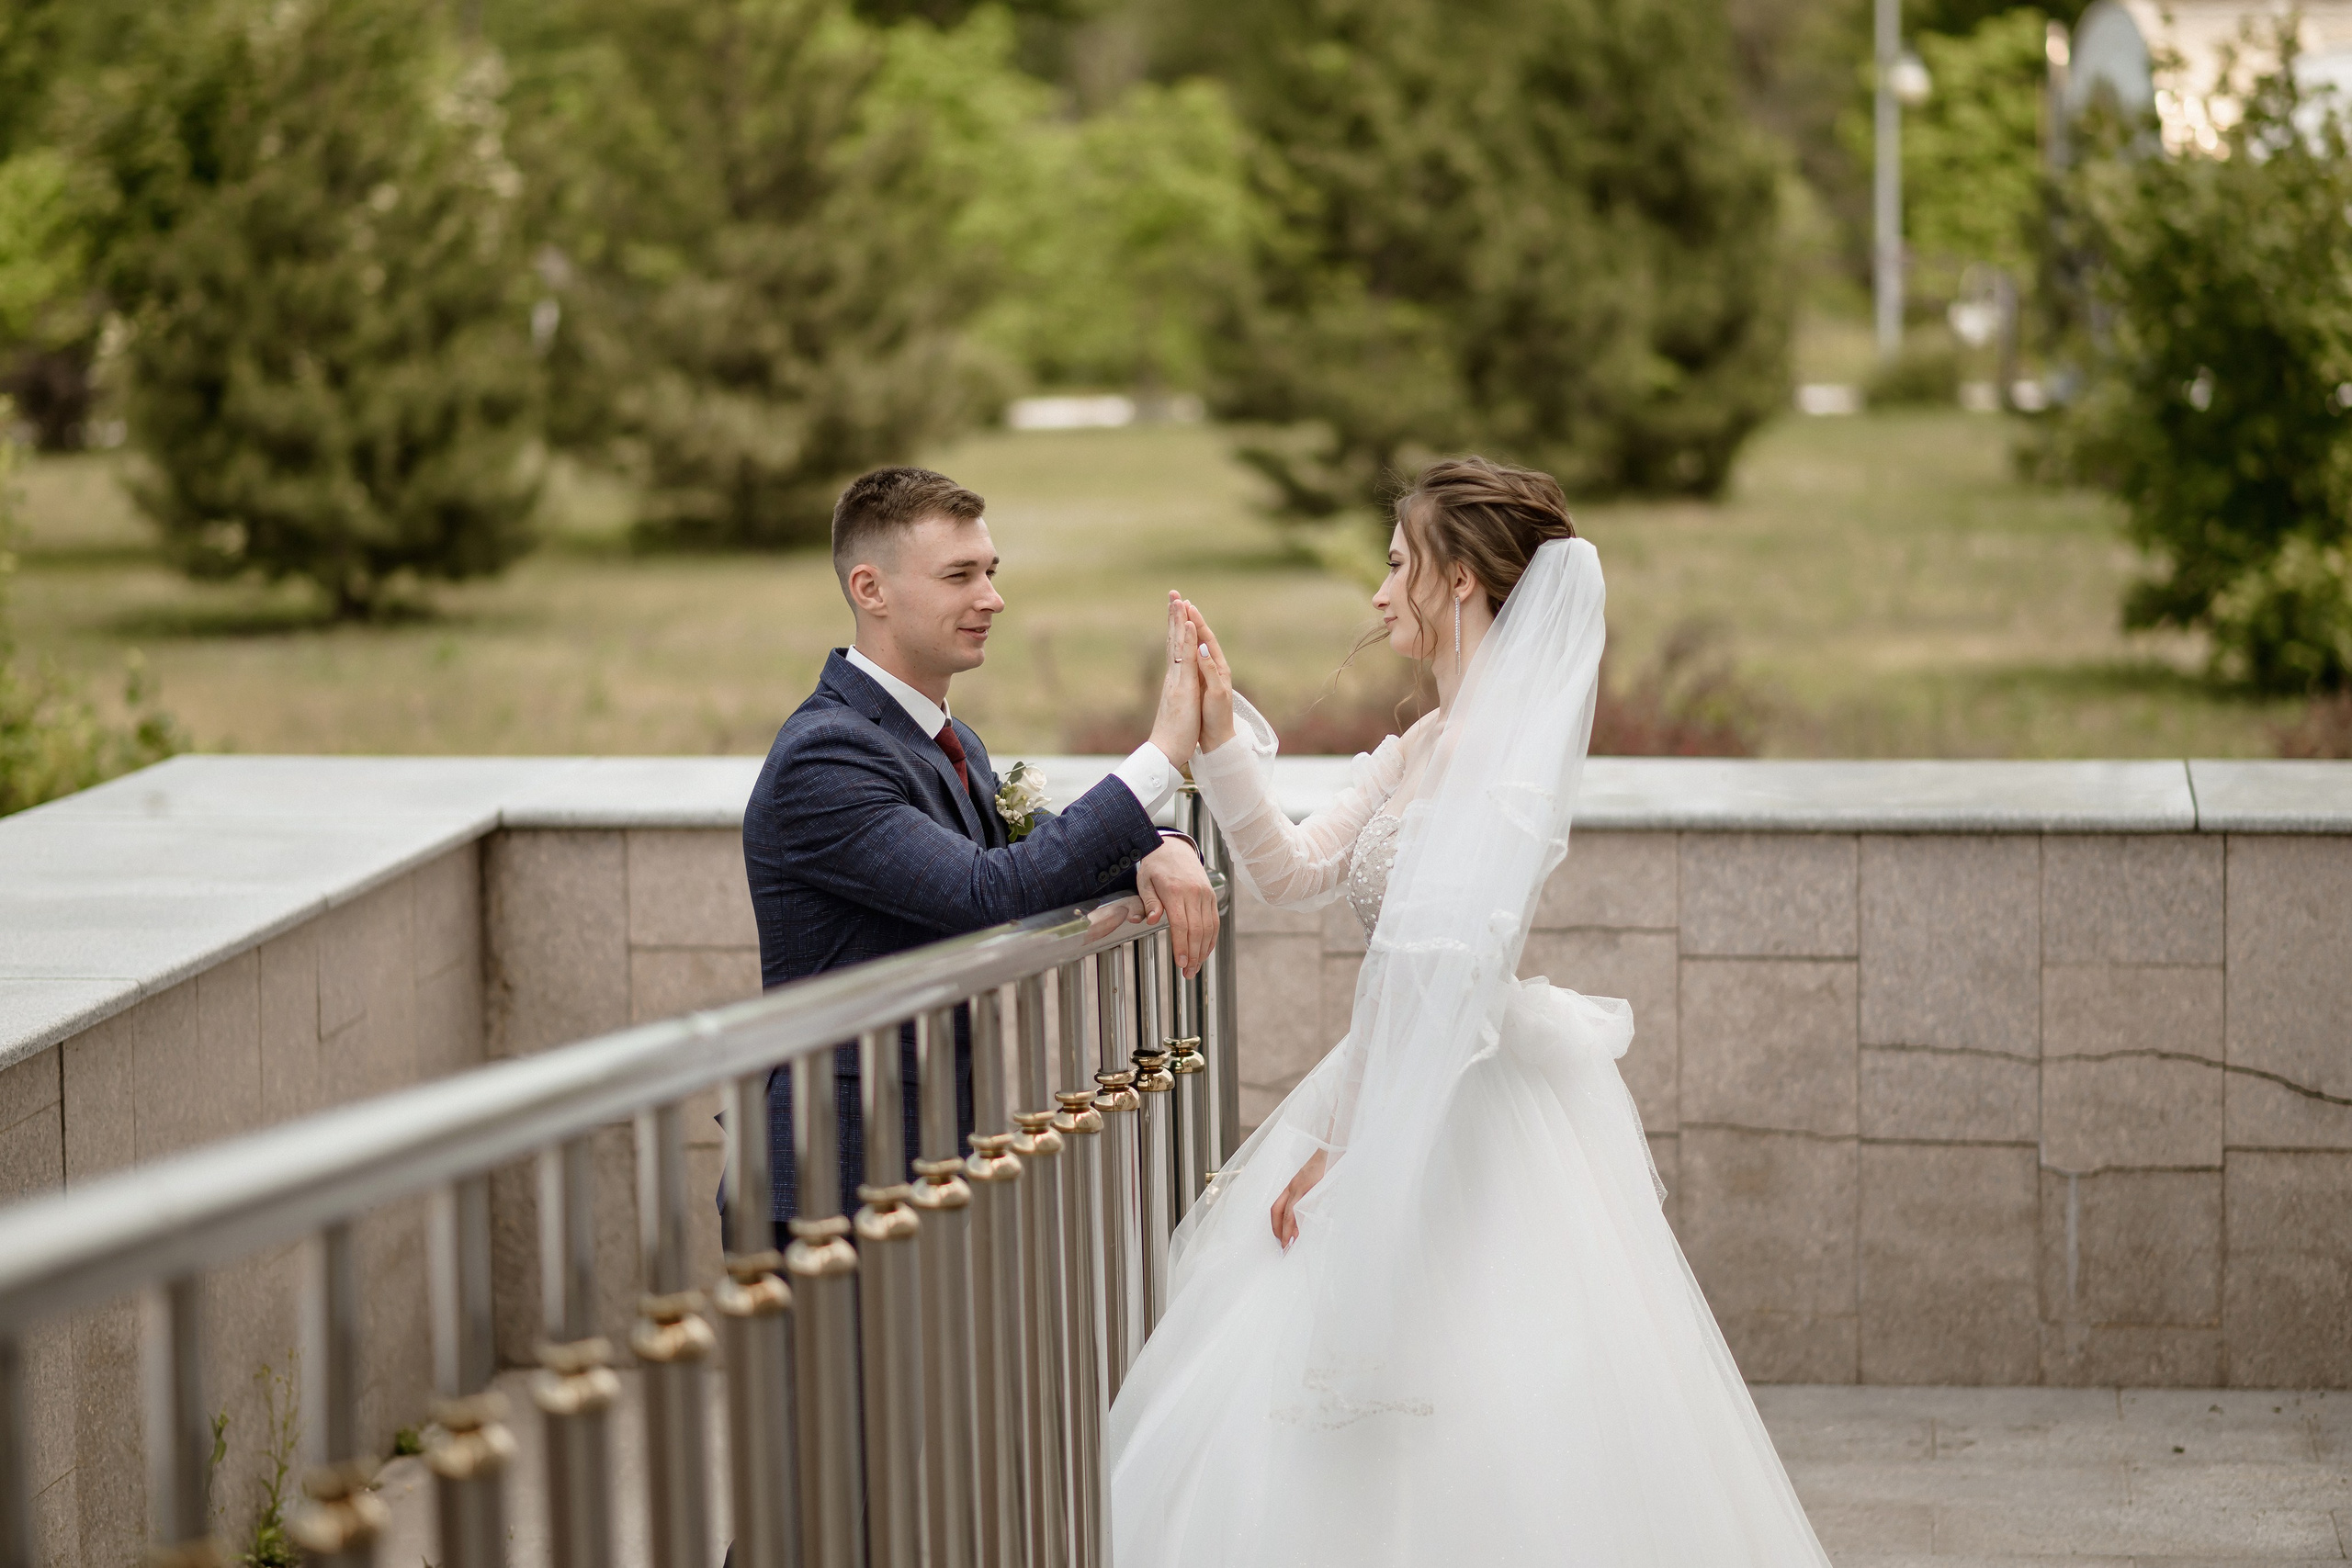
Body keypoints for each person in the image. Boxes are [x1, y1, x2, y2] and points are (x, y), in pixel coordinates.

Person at [1109, 457, 1834, 1566]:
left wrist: (1347, 1153)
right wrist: (1212, 728)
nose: (1379, 590)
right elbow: (1294, 869)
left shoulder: (1501, 763)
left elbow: (1437, 979)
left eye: (1397, 563)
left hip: (1446, 1101)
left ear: (1458, 582)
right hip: (1391, 1078)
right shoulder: (1425, 744)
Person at [741, 464, 1218, 1221]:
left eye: (990, 571)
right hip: (831, 1175)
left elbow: (1033, 861)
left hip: (923, 1157)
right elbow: (986, 893)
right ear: (871, 590)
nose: (991, 597)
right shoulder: (823, 756)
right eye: (960, 575)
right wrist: (1160, 754)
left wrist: (1157, 842)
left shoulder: (950, 738)